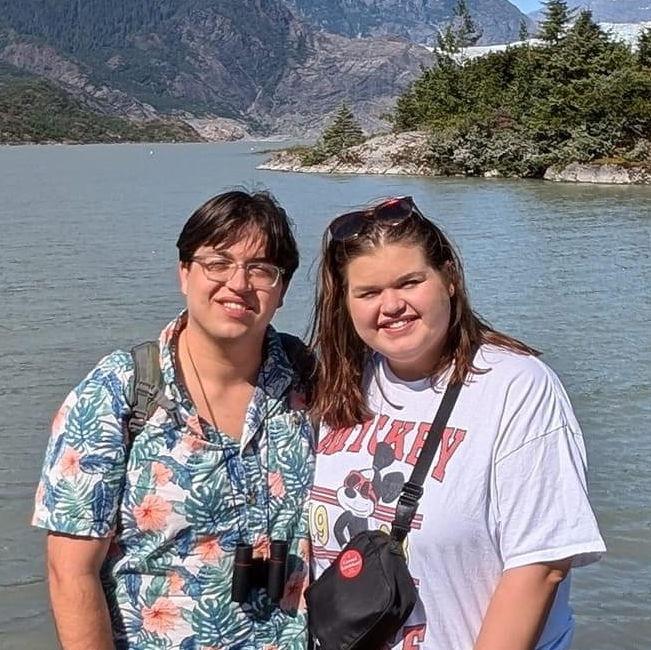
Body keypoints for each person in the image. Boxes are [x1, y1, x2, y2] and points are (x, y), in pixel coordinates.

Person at [308, 196, 606, 650]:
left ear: (449, 278)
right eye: (368, 293)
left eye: (410, 282)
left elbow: (541, 565)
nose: (391, 305)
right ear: (345, 304)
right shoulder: (337, 387)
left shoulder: (515, 386)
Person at [33, 190, 315, 649]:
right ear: (184, 272)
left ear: (281, 291)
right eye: (217, 263)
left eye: (261, 269)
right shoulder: (120, 392)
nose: (238, 283)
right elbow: (70, 571)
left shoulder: (311, 383)